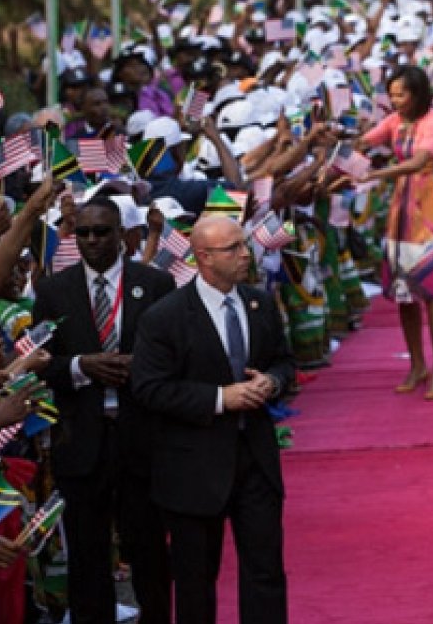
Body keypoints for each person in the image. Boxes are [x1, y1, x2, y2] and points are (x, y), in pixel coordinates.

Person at [130, 216, 295, 624]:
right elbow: (149, 388)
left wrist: (272, 383)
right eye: (234, 248)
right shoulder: (164, 317)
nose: (245, 255)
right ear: (204, 257)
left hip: (254, 458)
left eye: (244, 245)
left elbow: (284, 362)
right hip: (193, 466)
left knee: (265, 571)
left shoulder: (259, 304)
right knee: (195, 581)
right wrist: (221, 398)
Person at [33, 196, 176, 624]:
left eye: (102, 232)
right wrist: (82, 366)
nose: (92, 240)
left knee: (149, 548)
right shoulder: (53, 291)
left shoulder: (154, 285)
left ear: (122, 236)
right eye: (83, 233)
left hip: (142, 438)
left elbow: (176, 357)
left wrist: (143, 367)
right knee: (87, 554)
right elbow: (39, 364)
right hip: (82, 440)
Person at [361, 65, 433, 400]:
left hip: (429, 208)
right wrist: (336, 144)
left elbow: (418, 163)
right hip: (401, 210)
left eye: (401, 94)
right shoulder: (395, 121)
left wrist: (373, 175)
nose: (395, 100)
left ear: (417, 93)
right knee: (404, 292)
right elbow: (366, 140)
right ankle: (417, 364)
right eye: (392, 94)